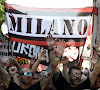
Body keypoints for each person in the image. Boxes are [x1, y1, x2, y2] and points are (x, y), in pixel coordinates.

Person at [0, 36, 65, 90]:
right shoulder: (12, 87)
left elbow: (49, 72)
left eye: (31, 74)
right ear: (19, 77)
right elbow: (2, 71)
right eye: (25, 74)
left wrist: (58, 56)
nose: (29, 76)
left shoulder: (37, 88)